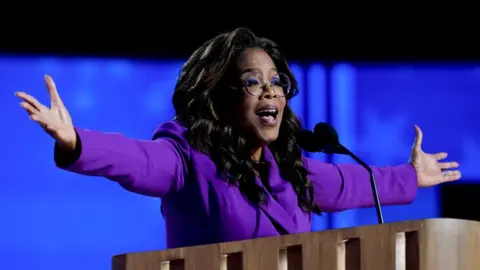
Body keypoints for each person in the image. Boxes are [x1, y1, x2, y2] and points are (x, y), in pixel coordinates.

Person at [15, 28, 461, 249]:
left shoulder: (292, 172)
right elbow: (138, 160)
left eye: (276, 81)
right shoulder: (188, 159)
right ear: (221, 96)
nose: (270, 91)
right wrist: (76, 141)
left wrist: (410, 176)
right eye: (252, 81)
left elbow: (353, 184)